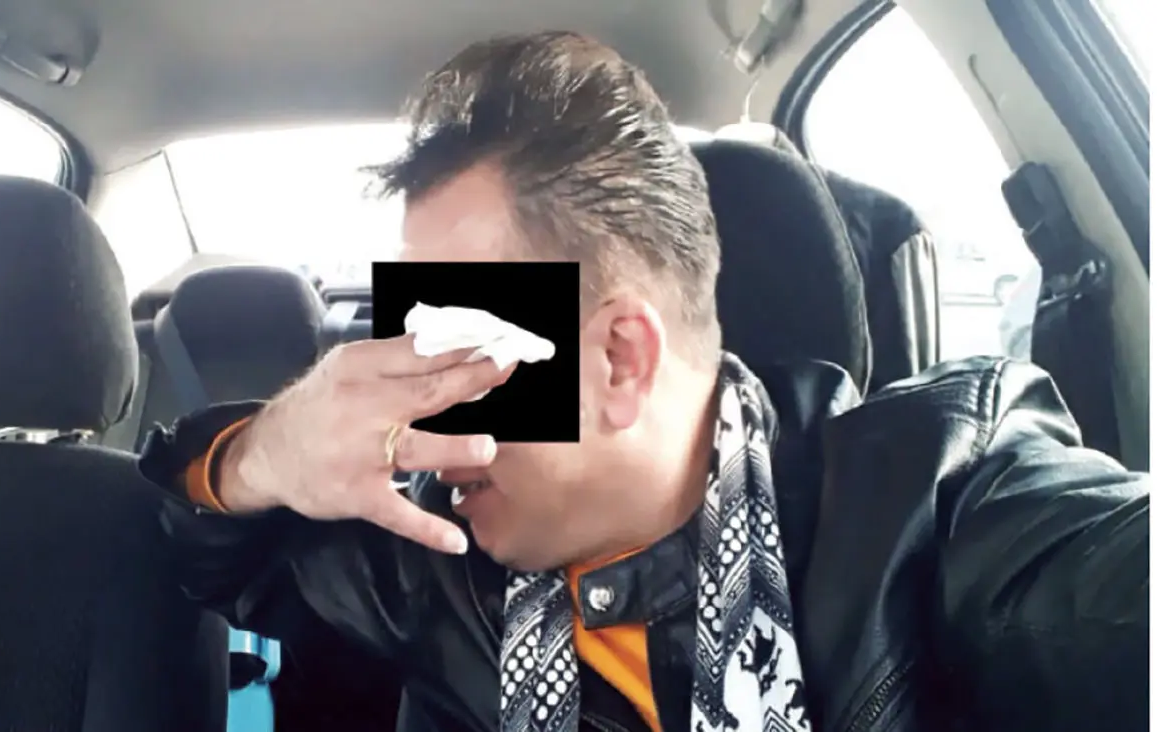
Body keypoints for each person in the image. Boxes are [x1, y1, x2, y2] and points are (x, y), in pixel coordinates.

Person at [140, 31, 1148, 732]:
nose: (423, 403)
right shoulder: (434, 554)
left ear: (620, 357)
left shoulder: (935, 500)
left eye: (454, 349)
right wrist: (267, 451)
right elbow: (209, 553)